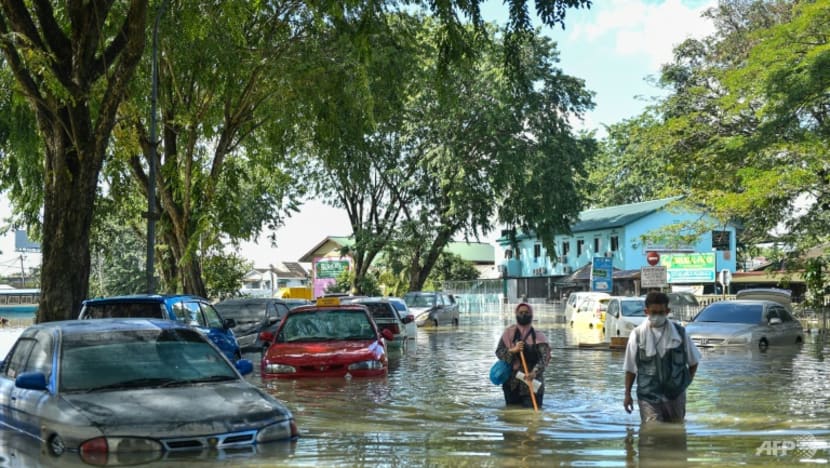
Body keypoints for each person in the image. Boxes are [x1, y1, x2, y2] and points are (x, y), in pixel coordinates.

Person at [623, 291, 701, 423]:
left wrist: (684, 384)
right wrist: (627, 395)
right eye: (653, 312)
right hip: (648, 396)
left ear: (668, 311)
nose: (657, 316)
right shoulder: (637, 335)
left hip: (675, 395)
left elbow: (694, 362)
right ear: (646, 312)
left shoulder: (680, 334)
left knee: (676, 434)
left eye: (661, 312)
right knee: (652, 433)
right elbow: (630, 369)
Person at [495, 303, 551, 407]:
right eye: (521, 313)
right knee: (512, 417)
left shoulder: (539, 337)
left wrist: (534, 373)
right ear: (516, 314)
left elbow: (544, 359)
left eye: (526, 313)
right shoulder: (508, 334)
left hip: (532, 384)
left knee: (531, 418)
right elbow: (499, 352)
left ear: (531, 315)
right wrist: (513, 350)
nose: (523, 315)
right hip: (512, 384)